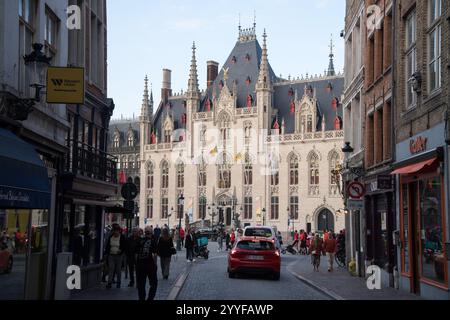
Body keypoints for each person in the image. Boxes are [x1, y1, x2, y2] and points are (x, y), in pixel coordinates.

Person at [135, 226, 158, 301]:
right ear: (151, 233)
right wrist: (155, 265)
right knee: (154, 283)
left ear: (145, 233)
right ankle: (150, 298)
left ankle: (142, 298)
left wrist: (137, 264)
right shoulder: (153, 241)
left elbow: (135, 253)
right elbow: (155, 254)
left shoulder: (139, 240)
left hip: (140, 265)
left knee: (141, 284)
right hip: (150, 265)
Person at [104, 224, 127, 288]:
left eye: (117, 231)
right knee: (111, 269)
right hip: (111, 255)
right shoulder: (111, 237)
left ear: (119, 231)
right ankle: (109, 283)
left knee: (118, 270)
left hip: (119, 256)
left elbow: (124, 246)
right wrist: (106, 254)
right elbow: (108, 246)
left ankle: (118, 282)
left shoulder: (122, 237)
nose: (116, 232)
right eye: (115, 231)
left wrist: (121, 250)